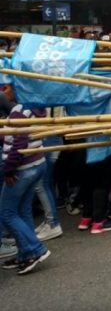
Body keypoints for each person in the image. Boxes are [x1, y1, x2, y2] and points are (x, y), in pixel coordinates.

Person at [0, 84, 51, 275]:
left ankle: (35, 249)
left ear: (18, 89)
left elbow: (19, 144)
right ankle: (25, 254)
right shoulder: (35, 107)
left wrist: (8, 170)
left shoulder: (20, 110)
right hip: (37, 164)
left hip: (23, 168)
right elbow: (16, 139)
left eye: (8, 88)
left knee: (6, 213)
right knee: (22, 210)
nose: (5, 92)